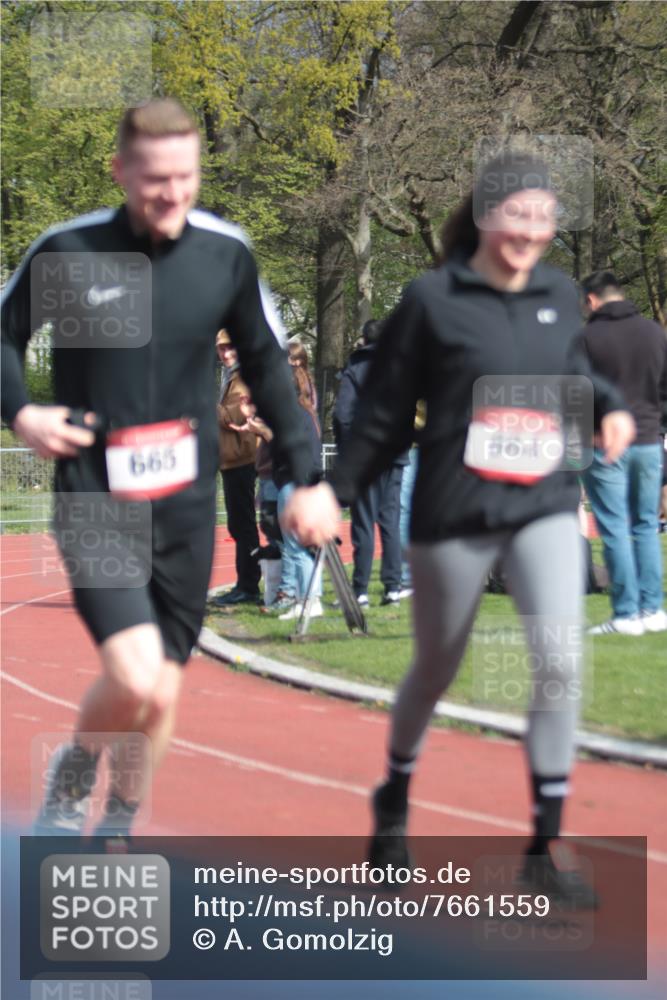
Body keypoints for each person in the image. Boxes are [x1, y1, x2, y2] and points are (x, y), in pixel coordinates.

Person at [1, 97, 338, 839]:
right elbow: (3, 337)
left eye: (184, 178)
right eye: (155, 180)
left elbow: (270, 371)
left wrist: (309, 477)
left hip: (185, 505)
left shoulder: (224, 254)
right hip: (98, 498)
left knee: (159, 694)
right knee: (134, 674)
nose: (171, 196)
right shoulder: (69, 250)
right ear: (122, 171)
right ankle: (75, 785)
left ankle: (114, 821)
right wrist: (21, 411)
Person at [323, 151, 635, 907]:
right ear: (485, 216)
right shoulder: (431, 300)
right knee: (435, 666)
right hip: (455, 512)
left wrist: (608, 403)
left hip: (542, 506)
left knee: (558, 664)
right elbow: (383, 417)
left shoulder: (562, 294)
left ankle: (542, 847)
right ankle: (392, 803)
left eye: (543, 217)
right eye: (515, 214)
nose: (530, 230)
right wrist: (333, 491)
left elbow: (570, 367)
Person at [580, 271, 667, 634]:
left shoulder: (584, 338)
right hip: (648, 440)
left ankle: (626, 614)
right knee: (646, 525)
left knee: (614, 527)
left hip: (603, 443)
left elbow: (574, 393)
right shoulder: (654, 333)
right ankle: (653, 609)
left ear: (591, 300)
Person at [333, 319, 408, 606]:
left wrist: (347, 448)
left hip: (365, 454)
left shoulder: (356, 368)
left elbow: (342, 415)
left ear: (363, 340)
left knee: (363, 522)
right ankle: (393, 586)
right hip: (394, 453)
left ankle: (360, 589)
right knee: (390, 521)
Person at [212, 328, 262, 607]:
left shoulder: (242, 379)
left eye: (231, 347)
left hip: (243, 457)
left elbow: (235, 415)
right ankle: (246, 582)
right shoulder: (231, 377)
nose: (226, 353)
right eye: (221, 349)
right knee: (238, 523)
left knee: (243, 524)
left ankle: (248, 584)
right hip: (232, 458)